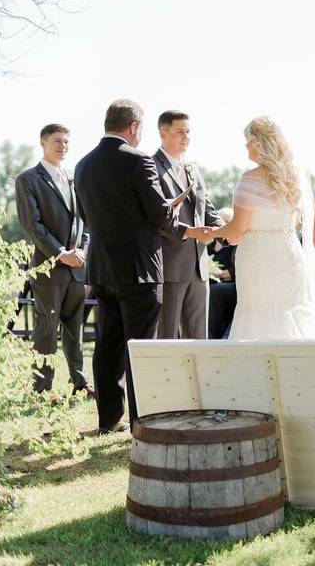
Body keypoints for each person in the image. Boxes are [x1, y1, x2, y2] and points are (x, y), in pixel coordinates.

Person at [75, 100, 212, 434]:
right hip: (139, 269)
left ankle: (108, 420)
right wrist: (182, 222)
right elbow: (162, 216)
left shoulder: (82, 165)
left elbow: (83, 216)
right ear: (134, 127)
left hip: (102, 268)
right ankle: (144, 419)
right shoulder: (138, 161)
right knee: (142, 348)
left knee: (107, 345)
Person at [210, 117, 315, 339]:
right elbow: (296, 222)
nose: (245, 146)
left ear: (258, 143)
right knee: (291, 310)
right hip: (290, 253)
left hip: (259, 256)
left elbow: (237, 228)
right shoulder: (292, 177)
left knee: (257, 313)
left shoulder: (249, 179)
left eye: (248, 140)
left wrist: (212, 232)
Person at [15, 123, 92, 396]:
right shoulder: (28, 179)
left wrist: (82, 250)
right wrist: (61, 254)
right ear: (43, 143)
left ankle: (80, 384)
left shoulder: (73, 178)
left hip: (77, 270)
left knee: (75, 330)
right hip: (48, 268)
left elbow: (85, 221)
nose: (63, 146)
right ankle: (42, 388)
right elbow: (32, 225)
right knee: (46, 329)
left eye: (67, 142)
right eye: (58, 141)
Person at [151, 111, 224, 339]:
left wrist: (225, 232)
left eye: (188, 132)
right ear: (163, 132)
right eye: (179, 132)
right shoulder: (151, 167)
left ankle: (198, 377)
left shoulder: (193, 168)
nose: (186, 138)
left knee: (199, 337)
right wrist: (191, 232)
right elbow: (156, 217)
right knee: (168, 336)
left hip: (199, 267)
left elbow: (206, 208)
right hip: (170, 266)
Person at [207, 207, 237, 339]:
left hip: (227, 282)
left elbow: (235, 270)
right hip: (210, 280)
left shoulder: (234, 244)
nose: (219, 225)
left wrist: (222, 273)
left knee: (215, 290)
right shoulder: (209, 245)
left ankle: (213, 334)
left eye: (224, 222)